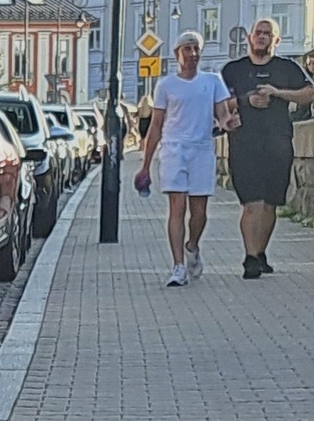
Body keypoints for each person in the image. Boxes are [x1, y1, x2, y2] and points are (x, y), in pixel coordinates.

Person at [219, 17, 312, 279]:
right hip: (243, 144)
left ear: (276, 40)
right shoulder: (233, 70)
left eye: (267, 34)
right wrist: (247, 100)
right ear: (249, 38)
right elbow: (220, 102)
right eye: (258, 33)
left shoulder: (287, 68)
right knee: (251, 203)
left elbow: (309, 92)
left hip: (278, 143)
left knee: (270, 204)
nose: (262, 37)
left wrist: (277, 93)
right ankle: (250, 258)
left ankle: (260, 252)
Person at [132, 31, 229, 285]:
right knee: (177, 207)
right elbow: (156, 125)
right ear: (178, 54)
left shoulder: (213, 81)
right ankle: (178, 267)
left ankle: (192, 246)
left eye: (196, 49)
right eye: (188, 49)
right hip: (174, 149)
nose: (193, 54)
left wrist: (230, 122)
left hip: (202, 149)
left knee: (200, 213)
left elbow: (223, 113)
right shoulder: (166, 85)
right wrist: (145, 166)